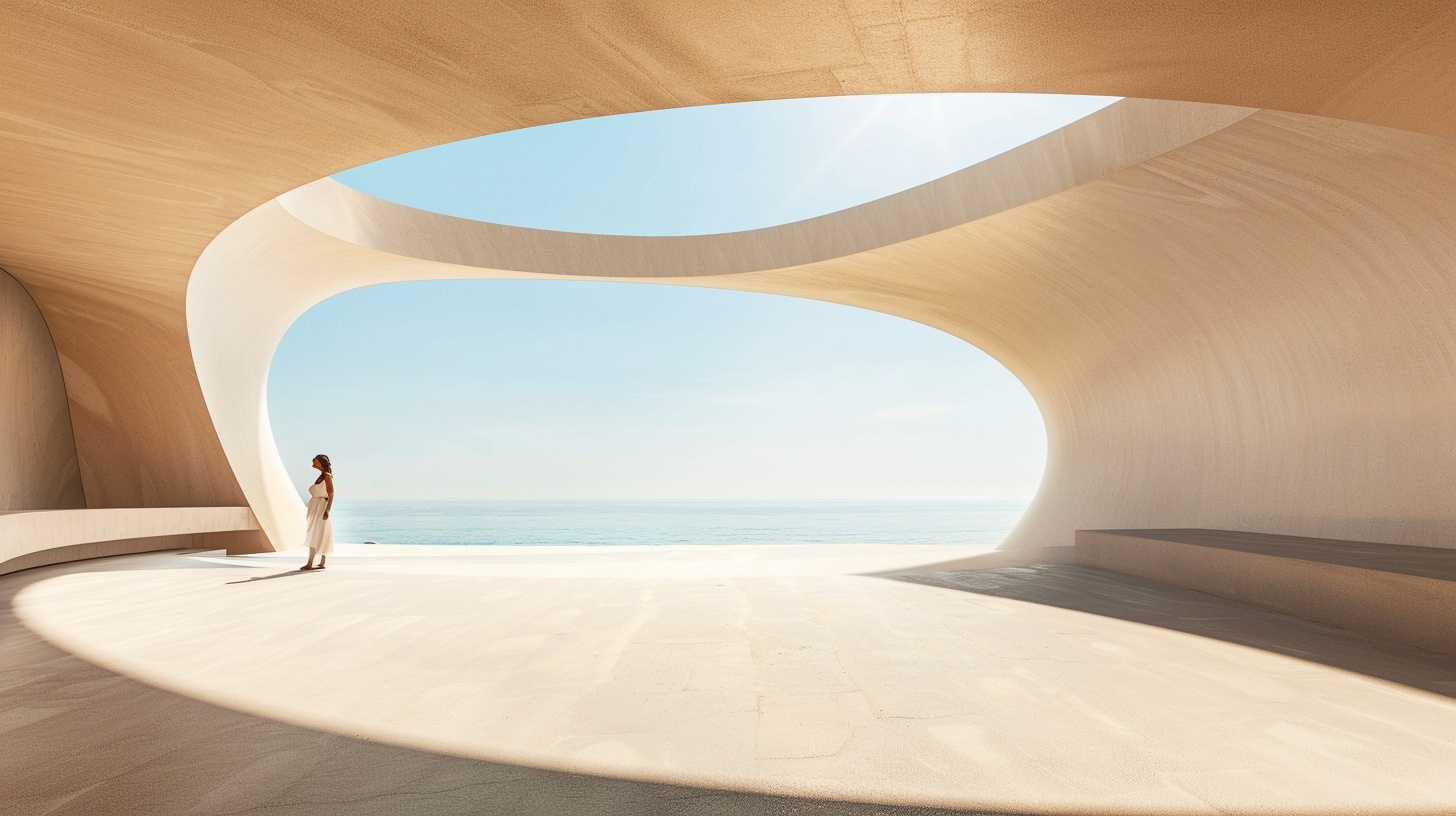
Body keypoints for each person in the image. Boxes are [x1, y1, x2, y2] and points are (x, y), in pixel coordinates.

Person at [300, 454, 335, 570]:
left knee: (317, 532)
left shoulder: (327, 476)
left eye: (315, 462)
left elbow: (331, 493)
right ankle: (321, 561)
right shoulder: (322, 476)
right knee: (318, 532)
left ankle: (311, 563)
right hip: (316, 507)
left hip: (321, 507)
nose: (313, 464)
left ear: (321, 462)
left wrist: (327, 510)